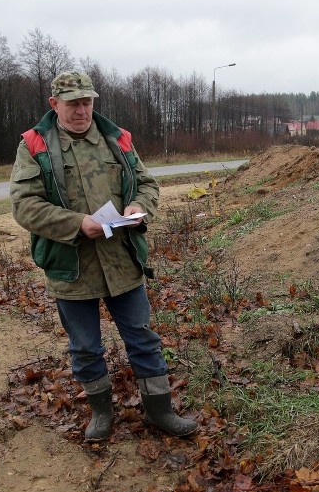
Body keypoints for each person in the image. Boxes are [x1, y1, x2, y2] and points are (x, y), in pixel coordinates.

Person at [10, 70, 197, 441]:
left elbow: (147, 183)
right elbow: (24, 205)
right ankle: (101, 413)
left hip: (122, 259)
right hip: (71, 266)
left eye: (87, 102)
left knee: (143, 337)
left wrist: (138, 206)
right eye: (73, 103)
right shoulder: (34, 146)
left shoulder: (117, 139)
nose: (82, 110)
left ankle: (160, 411)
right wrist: (78, 223)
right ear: (54, 104)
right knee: (85, 347)